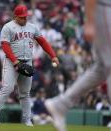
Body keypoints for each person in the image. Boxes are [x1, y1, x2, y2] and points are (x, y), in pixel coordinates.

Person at [44, 0, 111, 131]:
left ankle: (61, 104)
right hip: (104, 7)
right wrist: (90, 22)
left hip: (105, 10)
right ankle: (61, 104)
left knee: (101, 69)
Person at [0, 4, 59, 126]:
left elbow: (43, 42)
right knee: (7, 88)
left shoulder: (32, 27)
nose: (24, 19)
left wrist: (53, 55)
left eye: (25, 16)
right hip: (11, 62)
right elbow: (5, 46)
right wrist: (15, 61)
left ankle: (27, 120)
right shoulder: (8, 27)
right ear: (15, 16)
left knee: (25, 93)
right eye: (22, 17)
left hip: (27, 62)